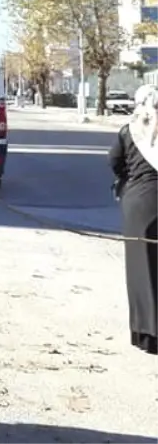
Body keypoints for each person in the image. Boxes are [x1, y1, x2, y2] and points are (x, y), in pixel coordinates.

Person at [109, 83, 158, 356]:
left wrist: (124, 179)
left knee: (142, 270)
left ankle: (146, 334)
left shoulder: (129, 131)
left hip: (139, 205)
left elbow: (114, 161)